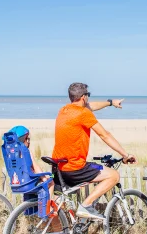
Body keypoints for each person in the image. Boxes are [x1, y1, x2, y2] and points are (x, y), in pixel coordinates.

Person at [51, 82, 135, 220]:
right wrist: (125, 155)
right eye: (88, 96)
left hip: (58, 167)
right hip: (74, 168)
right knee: (113, 175)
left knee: (59, 205)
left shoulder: (64, 110)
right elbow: (105, 135)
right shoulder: (83, 113)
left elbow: (91, 107)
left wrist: (110, 102)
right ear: (84, 97)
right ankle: (86, 205)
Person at [7, 125, 55, 196]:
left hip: (18, 182)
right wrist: (44, 178)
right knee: (51, 183)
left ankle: (29, 206)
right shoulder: (26, 151)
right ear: (22, 140)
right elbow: (35, 167)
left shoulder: (11, 153)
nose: (28, 141)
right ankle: (49, 206)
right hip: (29, 182)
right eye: (27, 139)